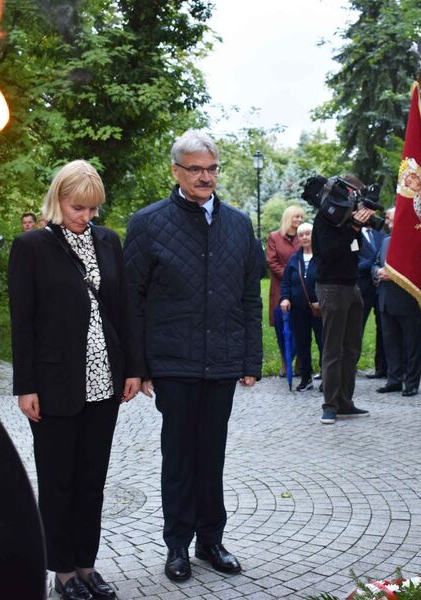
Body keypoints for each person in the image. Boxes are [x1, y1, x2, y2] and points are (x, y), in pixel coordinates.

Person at [124, 130, 262, 583]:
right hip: (174, 361)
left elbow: (249, 296)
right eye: (196, 169)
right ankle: (178, 546)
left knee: (213, 455)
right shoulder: (147, 224)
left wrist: (250, 360)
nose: (206, 177)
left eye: (212, 168)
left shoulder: (239, 225)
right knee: (179, 456)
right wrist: (139, 367)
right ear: (176, 171)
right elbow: (133, 299)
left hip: (221, 359)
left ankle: (211, 540)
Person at [9, 160, 144, 600]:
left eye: (92, 209)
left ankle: (87, 567)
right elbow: (22, 322)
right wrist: (25, 385)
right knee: (57, 481)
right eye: (77, 207)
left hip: (105, 381)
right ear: (57, 199)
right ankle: (62, 572)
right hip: (53, 385)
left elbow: (123, 308)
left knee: (91, 480)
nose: (85, 217)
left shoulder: (108, 241)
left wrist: (133, 368)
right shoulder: (30, 247)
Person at [312, 174, 374, 425]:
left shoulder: (345, 220)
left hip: (351, 286)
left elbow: (355, 250)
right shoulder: (325, 218)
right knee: (333, 349)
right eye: (354, 196)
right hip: (331, 287)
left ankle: (345, 402)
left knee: (351, 348)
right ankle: (330, 405)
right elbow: (327, 254)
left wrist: (354, 229)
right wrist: (353, 229)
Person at [374, 207, 421, 396]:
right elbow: (375, 263)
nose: (388, 223)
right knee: (391, 343)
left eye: (392, 219)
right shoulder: (385, 241)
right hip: (386, 301)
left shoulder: (415, 242)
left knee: (411, 345)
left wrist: (395, 276)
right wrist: (377, 272)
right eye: (387, 219)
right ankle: (394, 379)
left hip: (407, 301)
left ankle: (411, 382)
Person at [279, 222, 322, 392]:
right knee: (303, 343)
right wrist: (285, 298)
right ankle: (306, 377)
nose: (304, 237)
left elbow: (328, 280)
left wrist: (322, 299)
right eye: (301, 234)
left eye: (308, 233)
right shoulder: (294, 259)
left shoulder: (321, 257)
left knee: (323, 343)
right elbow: (286, 283)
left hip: (320, 308)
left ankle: (327, 377)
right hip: (298, 308)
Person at [266, 205, 305, 376]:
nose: (299, 220)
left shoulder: (302, 237)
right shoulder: (274, 237)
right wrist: (291, 276)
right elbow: (272, 262)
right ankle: (285, 360)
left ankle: (300, 362)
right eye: (296, 217)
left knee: (301, 326)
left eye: (301, 217)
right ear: (289, 217)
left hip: (301, 289)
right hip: (280, 288)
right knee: (283, 327)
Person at [357, 216, 386, 378]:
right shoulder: (355, 236)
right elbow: (355, 261)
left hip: (381, 287)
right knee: (357, 326)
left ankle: (381, 367)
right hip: (363, 288)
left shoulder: (380, 234)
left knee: (383, 328)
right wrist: (373, 264)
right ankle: (351, 364)